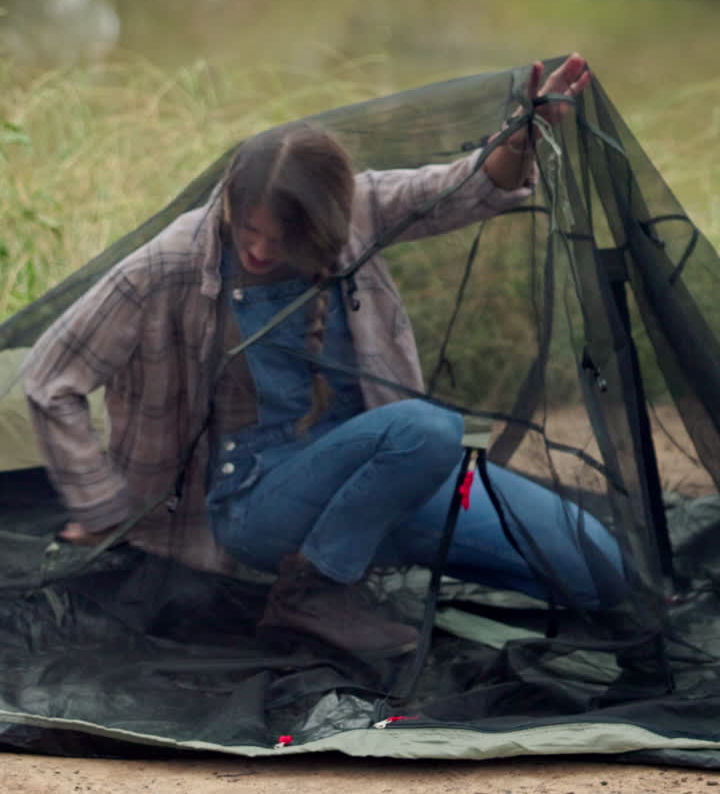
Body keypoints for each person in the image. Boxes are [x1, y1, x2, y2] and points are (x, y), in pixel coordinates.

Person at [23, 54, 627, 658]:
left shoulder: (356, 211)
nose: (258, 250)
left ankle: (352, 556)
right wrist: (102, 506)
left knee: (594, 567)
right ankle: (313, 594)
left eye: (279, 236)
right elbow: (50, 378)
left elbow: (461, 188)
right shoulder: (170, 264)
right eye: (248, 229)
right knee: (430, 428)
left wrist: (522, 137)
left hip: (383, 471)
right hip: (257, 501)